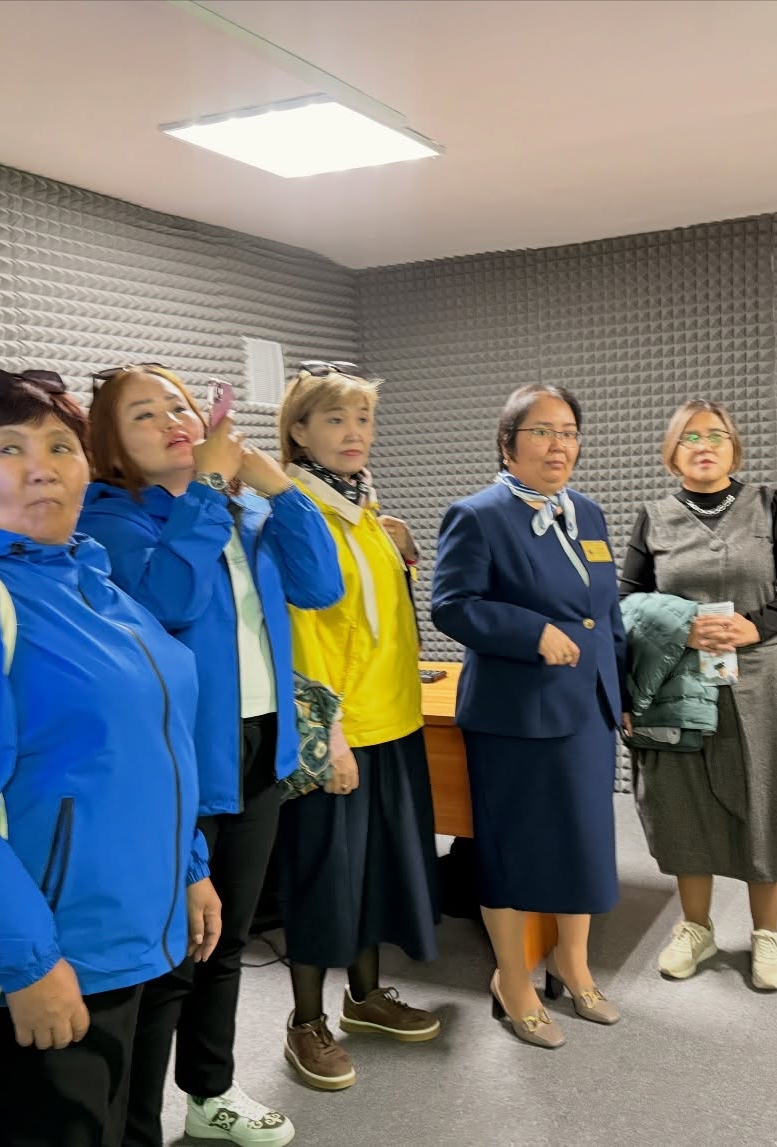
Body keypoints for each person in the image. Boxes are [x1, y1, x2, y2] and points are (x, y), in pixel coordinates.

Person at [0, 369, 219, 1147]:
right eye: (9, 449)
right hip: (56, 949)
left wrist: (190, 866)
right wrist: (25, 962)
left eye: (60, 446)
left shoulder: (95, 582)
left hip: (139, 932)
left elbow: (150, 745)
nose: (42, 466)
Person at [78, 364, 342, 1143]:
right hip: (177, 760)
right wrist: (205, 489)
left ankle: (210, 1089)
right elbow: (168, 600)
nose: (171, 421)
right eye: (143, 415)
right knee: (171, 957)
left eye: (180, 406)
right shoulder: (111, 519)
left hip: (258, 745)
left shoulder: (241, 507)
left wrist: (278, 488)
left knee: (226, 941)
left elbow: (320, 585)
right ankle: (135, 1124)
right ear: (110, 447)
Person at [431, 383, 625, 1050]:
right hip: (515, 714)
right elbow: (452, 605)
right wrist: (531, 631)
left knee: (584, 842)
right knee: (511, 849)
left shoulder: (587, 513)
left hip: (588, 708)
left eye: (568, 431)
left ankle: (572, 964)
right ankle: (511, 978)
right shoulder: (477, 515)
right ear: (508, 444)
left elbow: (606, 612)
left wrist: (620, 693)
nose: (559, 445)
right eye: (542, 431)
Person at [272, 361, 441, 1091]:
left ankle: (365, 997)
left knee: (374, 873)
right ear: (299, 430)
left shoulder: (363, 507)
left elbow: (378, 618)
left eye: (363, 419)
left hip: (393, 720)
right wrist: (328, 732)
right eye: (335, 419)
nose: (354, 432)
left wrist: (402, 552)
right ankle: (305, 1020)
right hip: (339, 731)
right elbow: (304, 632)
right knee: (323, 878)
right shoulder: (296, 512)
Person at [619, 400, 777, 990]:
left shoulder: (767, 505)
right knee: (683, 802)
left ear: (734, 446)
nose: (703, 446)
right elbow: (625, 601)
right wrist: (680, 625)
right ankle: (696, 927)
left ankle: (767, 935)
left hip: (762, 682)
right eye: (690, 437)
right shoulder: (653, 518)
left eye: (716, 435)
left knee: (768, 800)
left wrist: (758, 626)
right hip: (679, 682)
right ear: (672, 451)